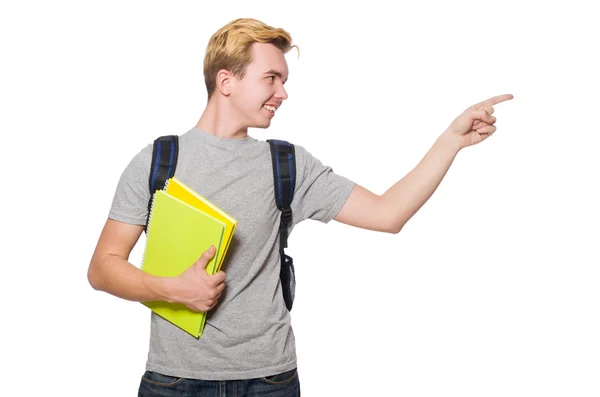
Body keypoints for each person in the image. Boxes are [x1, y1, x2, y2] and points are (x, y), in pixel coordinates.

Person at [87, 17, 513, 397]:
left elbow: (388, 214)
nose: (284, 92)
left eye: (284, 80)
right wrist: (172, 289)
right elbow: (103, 267)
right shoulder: (158, 161)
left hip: (269, 381)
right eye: (271, 78)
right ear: (226, 81)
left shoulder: (286, 164)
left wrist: (450, 142)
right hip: (174, 381)